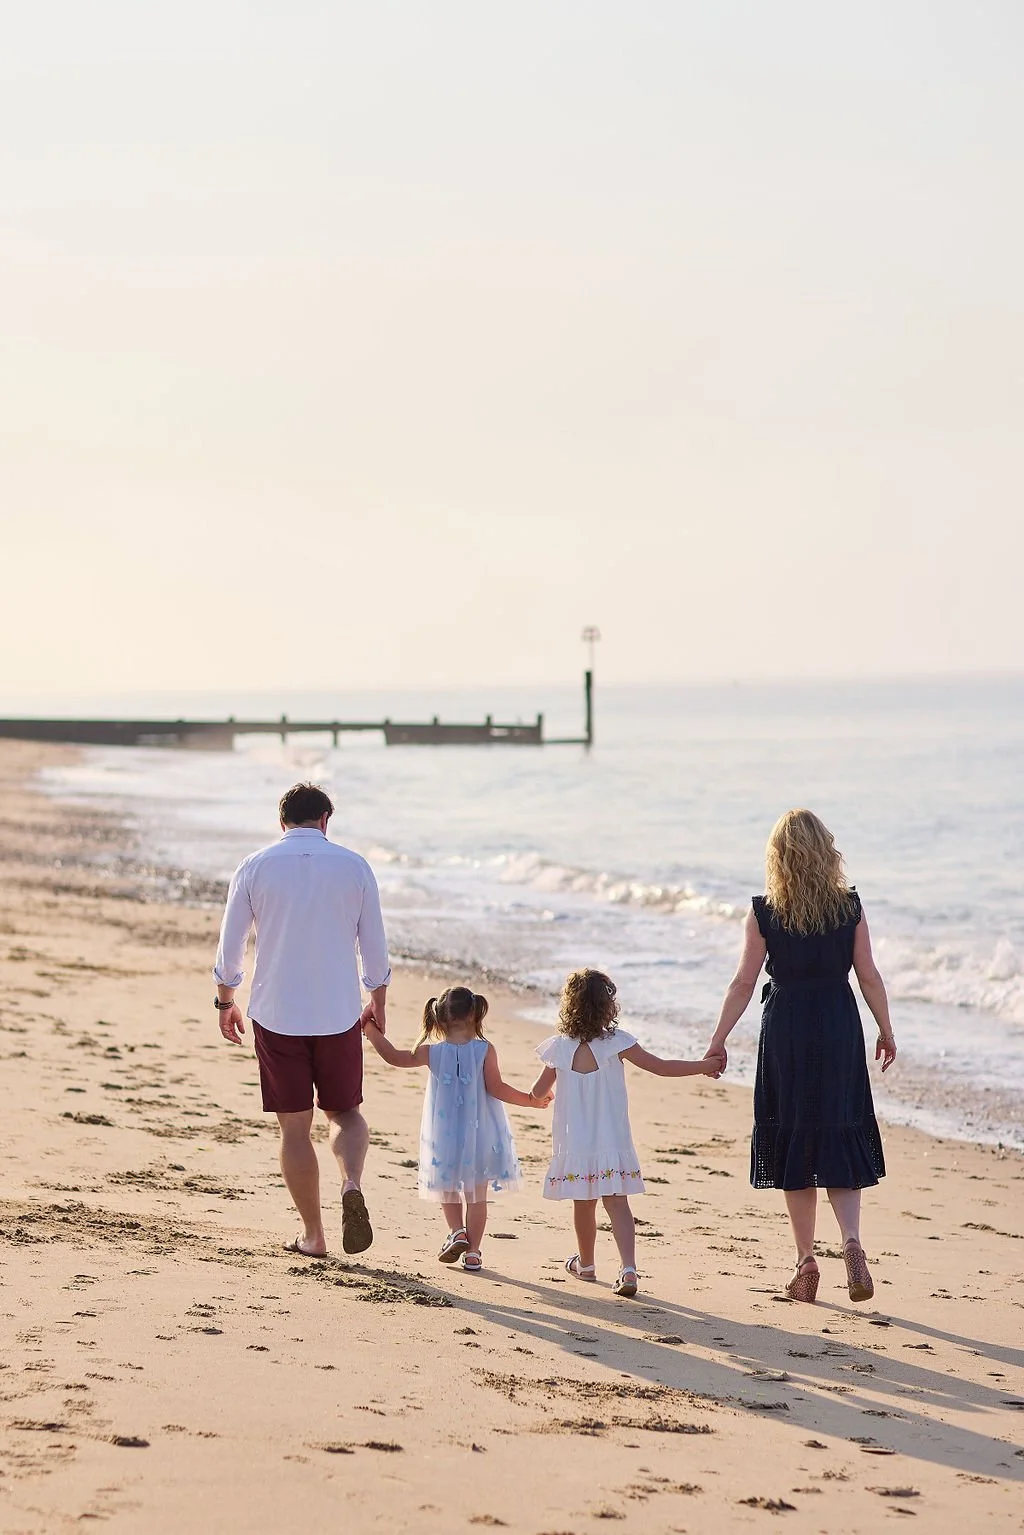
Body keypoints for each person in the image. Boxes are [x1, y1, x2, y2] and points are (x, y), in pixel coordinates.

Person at [705, 809, 897, 1304]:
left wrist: (718, 1039)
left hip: (787, 1026)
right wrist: (886, 1029)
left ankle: (806, 1261)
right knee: (838, 1126)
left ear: (778, 856)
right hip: (836, 1022)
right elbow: (869, 974)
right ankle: (852, 1242)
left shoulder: (765, 911)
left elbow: (744, 982)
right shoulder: (848, 907)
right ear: (825, 850)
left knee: (795, 1135)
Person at [213, 781, 391, 1259]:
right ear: (326, 821)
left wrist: (224, 999)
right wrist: (378, 999)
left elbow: (231, 946)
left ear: (282, 822)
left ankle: (314, 1236)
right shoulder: (355, 867)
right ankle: (351, 1182)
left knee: (294, 1128)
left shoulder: (254, 867)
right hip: (337, 1013)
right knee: (345, 1112)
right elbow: (373, 946)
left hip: (277, 1012)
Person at [530, 968, 723, 1299]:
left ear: (569, 1005)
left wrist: (545, 1097)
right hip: (612, 1141)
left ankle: (587, 1265)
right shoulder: (618, 1043)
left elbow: (536, 1092)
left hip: (576, 1144)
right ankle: (628, 1268)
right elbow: (660, 1067)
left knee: (584, 1204)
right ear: (608, 1007)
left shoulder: (559, 1049)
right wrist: (704, 1066)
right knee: (618, 1204)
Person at [363, 986, 550, 1272]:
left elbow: (394, 1057)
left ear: (438, 1021)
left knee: (447, 1188)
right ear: (475, 1015)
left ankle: (456, 1232)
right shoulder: (485, 1050)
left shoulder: (431, 1052)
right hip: (482, 1134)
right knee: (477, 1196)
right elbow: (497, 1088)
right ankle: (473, 1252)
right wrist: (531, 1100)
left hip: (445, 1136)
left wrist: (371, 1030)